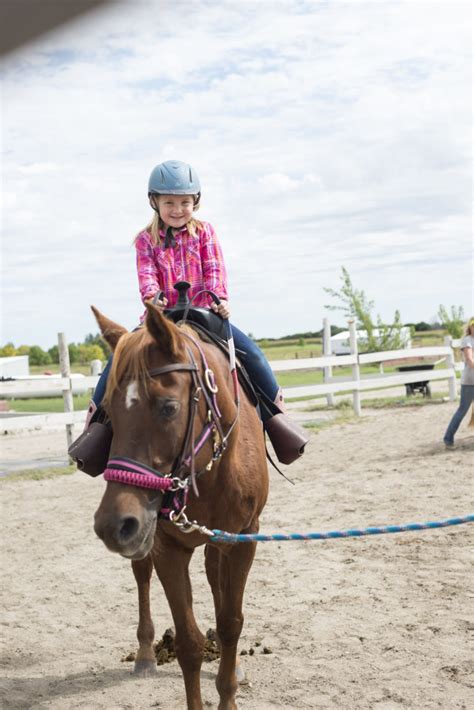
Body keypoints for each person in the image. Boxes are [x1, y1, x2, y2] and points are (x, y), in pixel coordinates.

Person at [82, 159, 307, 465]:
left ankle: (275, 418)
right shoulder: (145, 240)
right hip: (162, 317)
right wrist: (154, 299)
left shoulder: (205, 232)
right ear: (155, 203)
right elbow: (146, 276)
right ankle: (97, 431)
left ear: (195, 202)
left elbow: (214, 268)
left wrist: (218, 298)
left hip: (204, 311)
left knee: (252, 354)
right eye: (169, 203)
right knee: (119, 358)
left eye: (185, 202)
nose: (177, 209)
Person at [443, 317, 474, 449]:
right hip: (470, 381)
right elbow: (470, 360)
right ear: (470, 327)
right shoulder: (467, 341)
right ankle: (448, 439)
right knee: (462, 410)